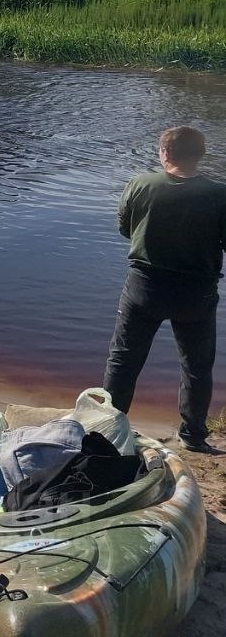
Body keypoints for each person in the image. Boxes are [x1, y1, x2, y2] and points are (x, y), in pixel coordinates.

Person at [102, 126, 226, 454]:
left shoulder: (141, 184)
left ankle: (108, 430)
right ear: (200, 155)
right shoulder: (219, 194)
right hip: (196, 293)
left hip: (145, 286)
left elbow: (125, 227)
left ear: (165, 154)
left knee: (124, 359)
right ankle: (194, 436)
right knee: (196, 365)